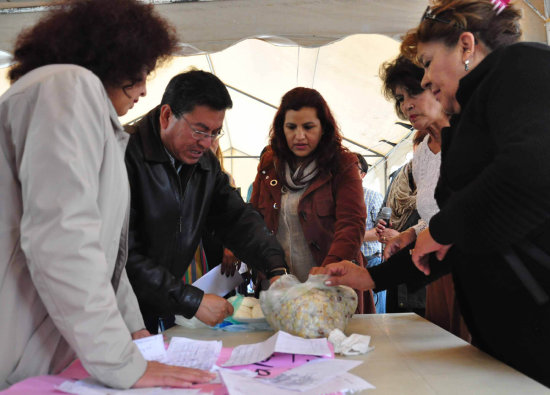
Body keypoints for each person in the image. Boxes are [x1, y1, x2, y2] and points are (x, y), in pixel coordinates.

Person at [326, 0, 550, 387]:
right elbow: (456, 241)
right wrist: (372, 279)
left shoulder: (522, 66)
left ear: (466, 46)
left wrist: (441, 229)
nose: (425, 80)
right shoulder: (467, 122)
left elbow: (530, 170)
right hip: (506, 331)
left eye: (428, 62)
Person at [0, 0, 217, 390]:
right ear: (112, 59)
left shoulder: (86, 111)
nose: (143, 90)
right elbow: (63, 240)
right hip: (18, 349)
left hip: (46, 348)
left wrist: (133, 330)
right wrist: (121, 363)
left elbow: (105, 258)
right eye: (139, 75)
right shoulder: (66, 87)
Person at [124, 70, 288, 334]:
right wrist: (191, 300)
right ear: (167, 116)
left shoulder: (205, 165)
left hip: (163, 302)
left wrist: (275, 268)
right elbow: (123, 254)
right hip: (121, 309)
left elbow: (237, 218)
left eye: (215, 133)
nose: (206, 143)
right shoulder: (124, 155)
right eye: (199, 131)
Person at [250, 87, 375, 312]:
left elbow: (352, 224)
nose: (299, 136)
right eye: (291, 127)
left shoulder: (343, 164)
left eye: (308, 127)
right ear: (281, 129)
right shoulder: (269, 164)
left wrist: (326, 273)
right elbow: (255, 219)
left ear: (323, 128)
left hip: (331, 288)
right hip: (279, 287)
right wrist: (270, 267)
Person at [355, 153, 385, 313]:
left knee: (375, 315)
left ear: (363, 174)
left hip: (371, 261)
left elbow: (381, 232)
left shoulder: (373, 197)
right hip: (345, 264)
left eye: (353, 168)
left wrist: (351, 237)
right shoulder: (333, 197)